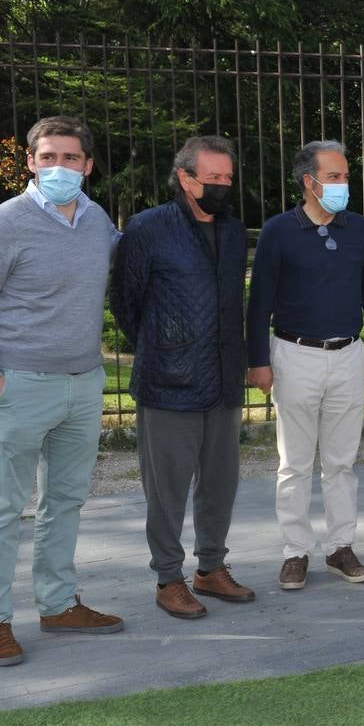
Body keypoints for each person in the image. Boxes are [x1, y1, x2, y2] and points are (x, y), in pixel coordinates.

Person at [0, 115, 124, 666]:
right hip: (19, 387)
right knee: (5, 508)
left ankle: (57, 603)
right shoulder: (2, 225)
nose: (59, 167)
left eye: (71, 158)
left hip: (83, 384)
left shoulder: (98, 222)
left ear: (88, 166)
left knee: (65, 501)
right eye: (48, 157)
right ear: (30, 162)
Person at [110, 135, 253, 619]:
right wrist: (165, 342)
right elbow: (125, 304)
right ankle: (168, 577)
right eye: (212, 178)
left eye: (227, 178)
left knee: (220, 481)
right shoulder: (148, 228)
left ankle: (211, 568)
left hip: (223, 377)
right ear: (186, 178)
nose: (222, 186)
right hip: (168, 379)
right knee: (166, 487)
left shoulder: (234, 231)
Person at [246, 140, 364, 590]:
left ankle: (340, 547)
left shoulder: (359, 230)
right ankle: (295, 551)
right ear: (308, 182)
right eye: (333, 177)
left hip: (348, 355)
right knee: (293, 463)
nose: (342, 184)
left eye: (345, 176)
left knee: (341, 462)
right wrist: (259, 361)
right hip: (294, 355)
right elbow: (259, 302)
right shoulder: (278, 231)